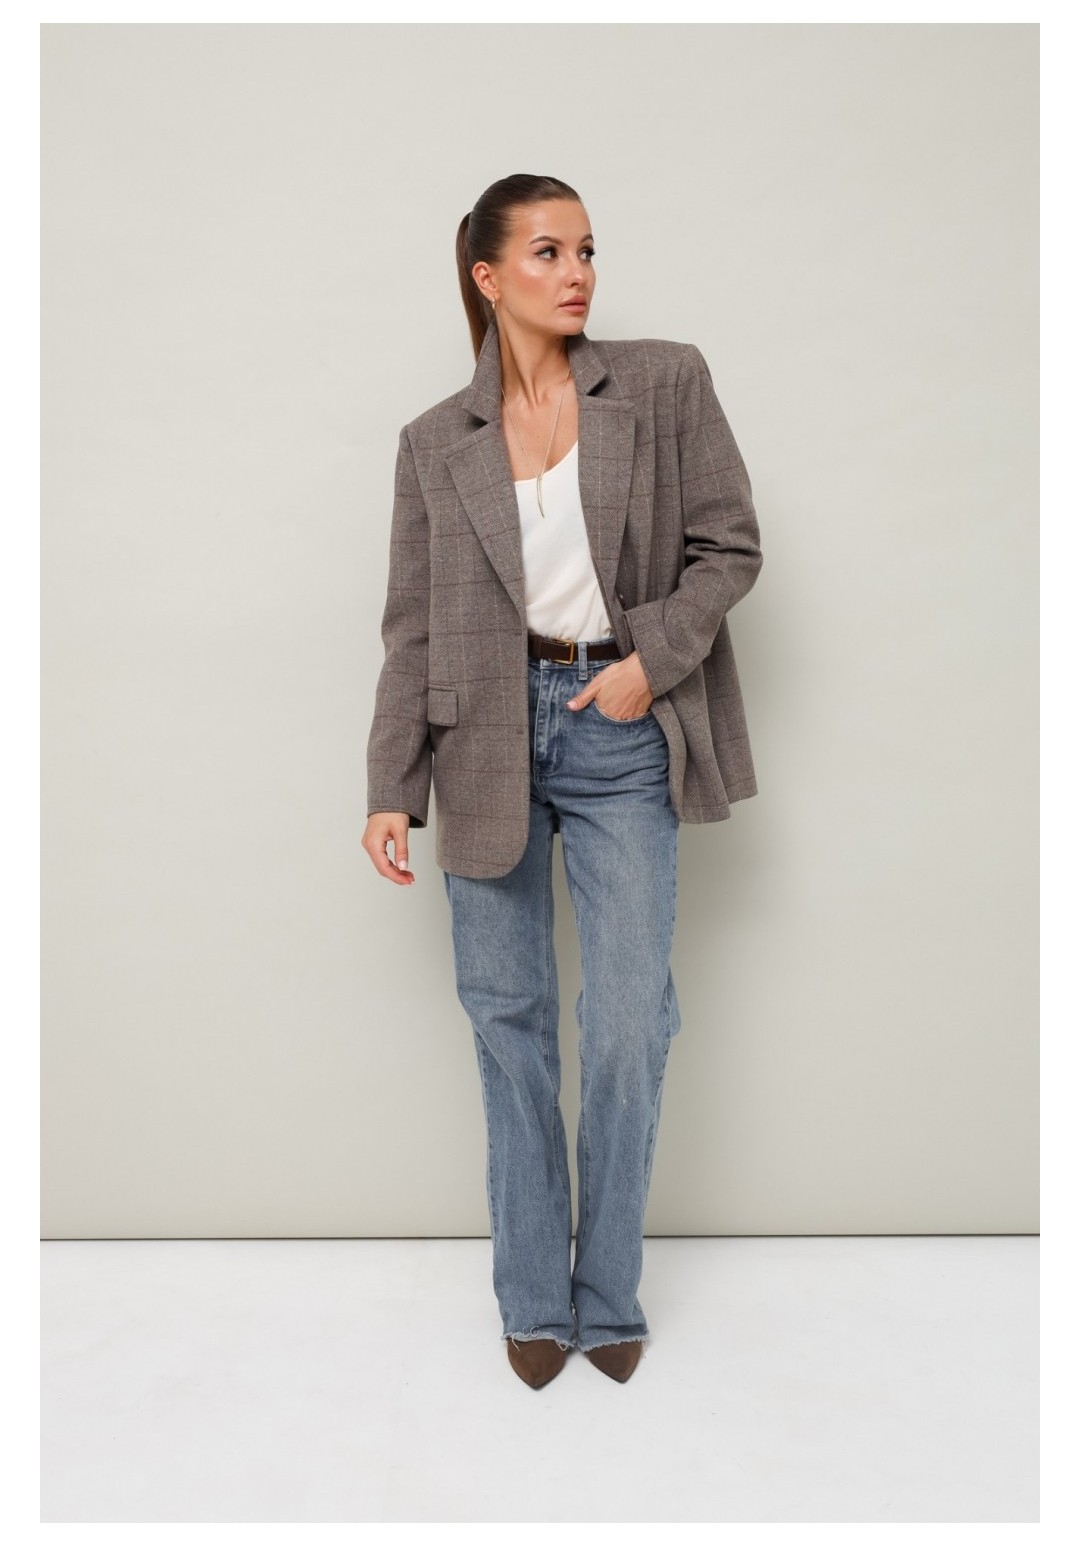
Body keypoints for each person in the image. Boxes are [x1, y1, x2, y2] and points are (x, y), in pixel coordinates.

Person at [363, 173, 763, 1389]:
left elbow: (729, 546)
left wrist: (648, 665)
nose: (578, 271)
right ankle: (534, 1295)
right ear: (488, 276)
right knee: (509, 1020)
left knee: (631, 1018)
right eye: (548, 252)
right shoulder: (434, 443)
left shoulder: (663, 381)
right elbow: (413, 627)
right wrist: (391, 784)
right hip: (483, 732)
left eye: (586, 249)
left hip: (614, 722)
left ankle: (609, 1291)